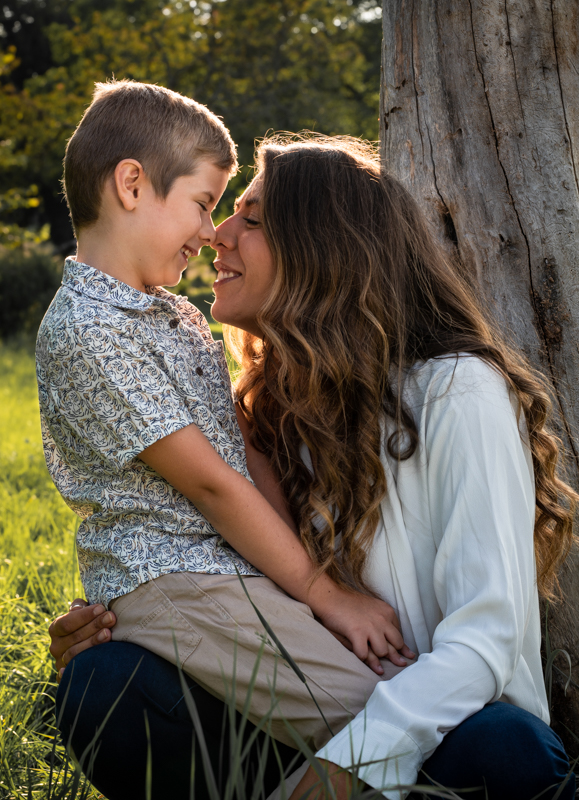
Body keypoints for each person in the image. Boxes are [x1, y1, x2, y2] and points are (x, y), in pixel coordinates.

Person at [48, 134, 577, 800]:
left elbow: (485, 642)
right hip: (295, 714)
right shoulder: (265, 409)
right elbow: (199, 554)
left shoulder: (455, 392)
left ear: (324, 251)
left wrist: (341, 768)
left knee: (506, 750)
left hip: (441, 737)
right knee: (107, 683)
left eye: (252, 219)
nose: (218, 236)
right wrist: (116, 621)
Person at [37, 79, 418, 785]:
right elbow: (211, 484)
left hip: (233, 576)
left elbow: (237, 450)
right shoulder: (86, 330)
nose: (213, 234)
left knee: (381, 708)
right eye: (205, 203)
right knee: (377, 714)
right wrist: (324, 593)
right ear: (131, 185)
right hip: (175, 582)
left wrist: (316, 579)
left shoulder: (175, 318)